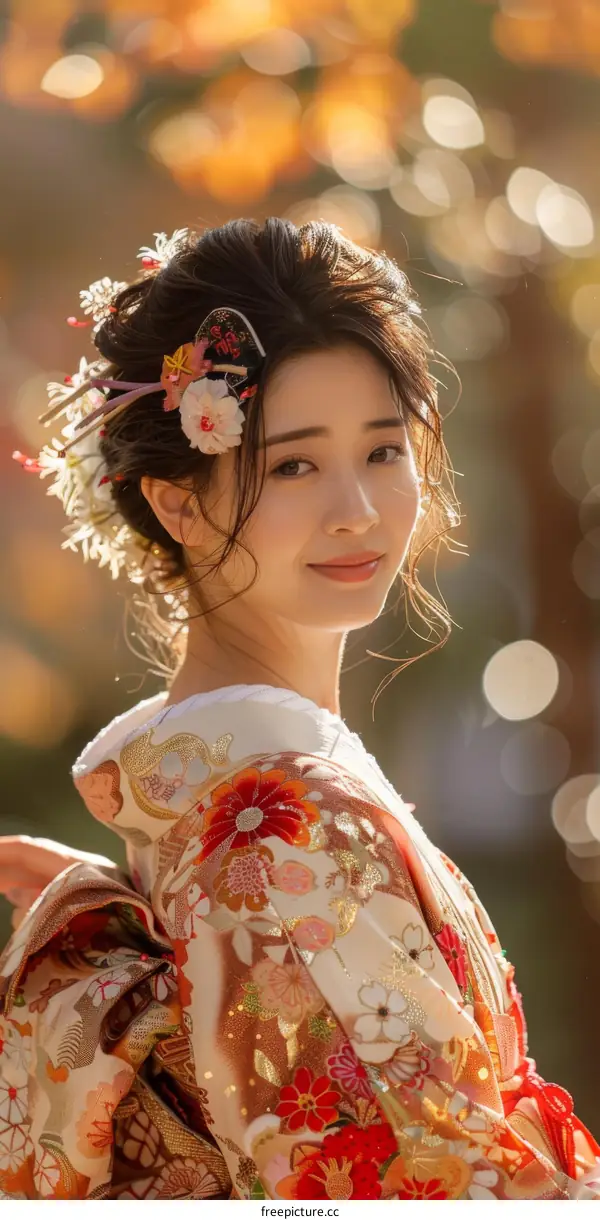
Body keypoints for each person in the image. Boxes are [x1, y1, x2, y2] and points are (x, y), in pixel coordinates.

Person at [0, 218, 598, 1202]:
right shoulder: (285, 826)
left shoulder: (201, 807)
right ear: (178, 502)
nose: (357, 509)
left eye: (384, 448)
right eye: (294, 465)